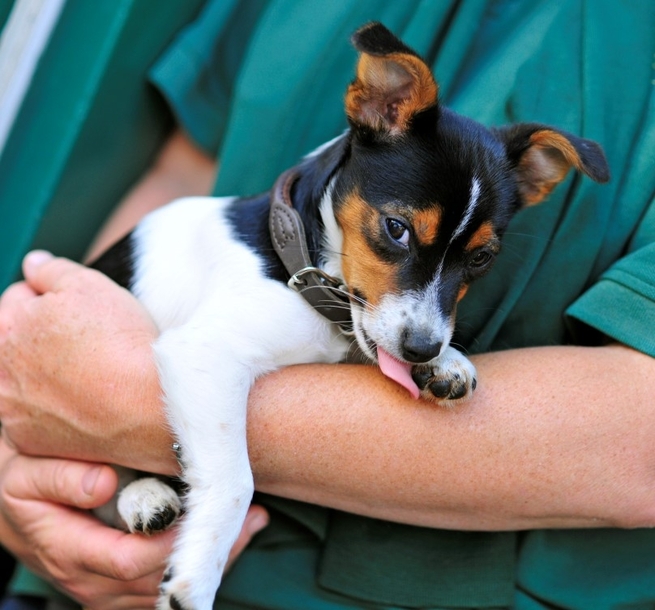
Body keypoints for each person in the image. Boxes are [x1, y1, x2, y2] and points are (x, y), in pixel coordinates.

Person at [1, 1, 655, 609]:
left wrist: (115, 403)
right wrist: (21, 451)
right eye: (396, 232)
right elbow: (183, 170)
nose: (427, 322)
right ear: (375, 101)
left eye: (474, 260)